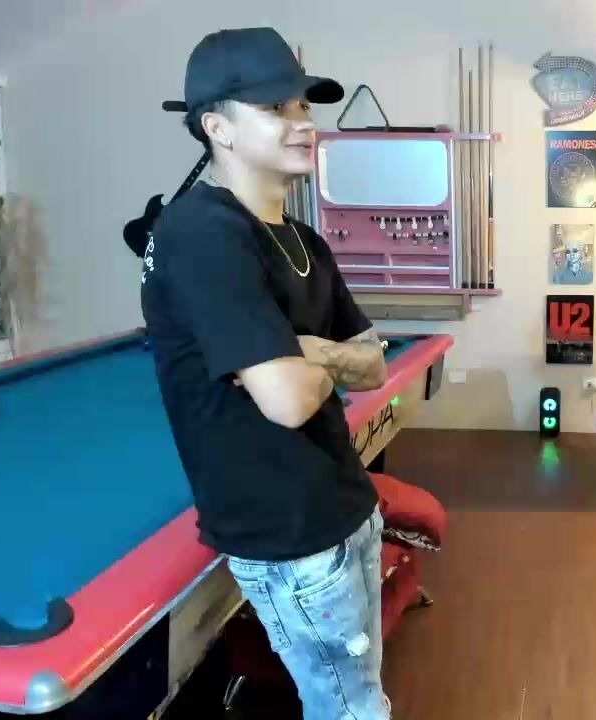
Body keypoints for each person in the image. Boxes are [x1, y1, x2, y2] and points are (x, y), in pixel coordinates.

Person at [139, 27, 392, 719]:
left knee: (361, 699)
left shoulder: (303, 240)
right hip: (286, 533)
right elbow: (286, 401)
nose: (302, 123)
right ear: (217, 127)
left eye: (303, 106)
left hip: (345, 506)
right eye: (276, 108)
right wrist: (312, 358)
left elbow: (372, 362)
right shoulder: (201, 233)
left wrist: (305, 349)